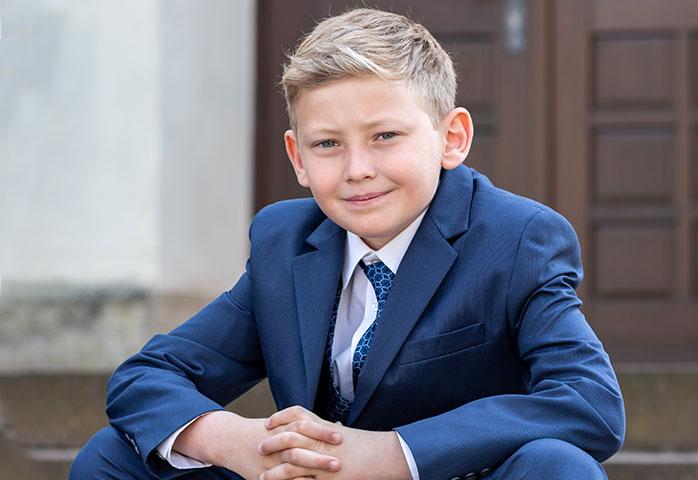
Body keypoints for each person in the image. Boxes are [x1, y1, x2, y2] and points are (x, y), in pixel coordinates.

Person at [70, 8, 625, 480]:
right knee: (114, 456)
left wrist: (390, 452)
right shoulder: (284, 241)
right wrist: (241, 443)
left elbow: (589, 404)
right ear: (298, 159)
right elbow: (147, 375)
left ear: (451, 138)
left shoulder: (518, 239)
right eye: (328, 144)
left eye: (385, 136)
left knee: (558, 466)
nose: (358, 170)